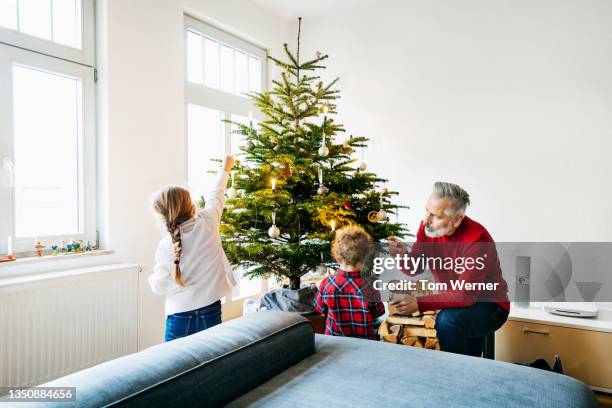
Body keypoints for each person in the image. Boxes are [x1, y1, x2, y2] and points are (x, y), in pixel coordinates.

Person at [388, 182, 509, 357]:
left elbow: (465, 295)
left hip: (490, 305)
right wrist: (402, 254)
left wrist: (418, 303)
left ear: (457, 219)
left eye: (435, 215)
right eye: (426, 210)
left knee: (448, 322)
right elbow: (415, 267)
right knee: (469, 355)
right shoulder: (427, 228)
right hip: (457, 303)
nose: (426, 220)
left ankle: (455, 379)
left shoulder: (477, 239)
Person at [149, 155, 237, 341]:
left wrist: (152, 280)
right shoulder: (209, 221)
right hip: (211, 309)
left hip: (179, 315)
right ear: (191, 206)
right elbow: (217, 194)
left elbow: (160, 286)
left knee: (175, 366)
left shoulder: (166, 245)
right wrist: (225, 169)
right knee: (211, 359)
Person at [314, 225, 385, 340]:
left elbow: (320, 309)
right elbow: (378, 312)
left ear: (337, 255)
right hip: (365, 344)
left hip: (335, 343)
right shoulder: (370, 285)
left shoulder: (327, 283)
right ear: (365, 257)